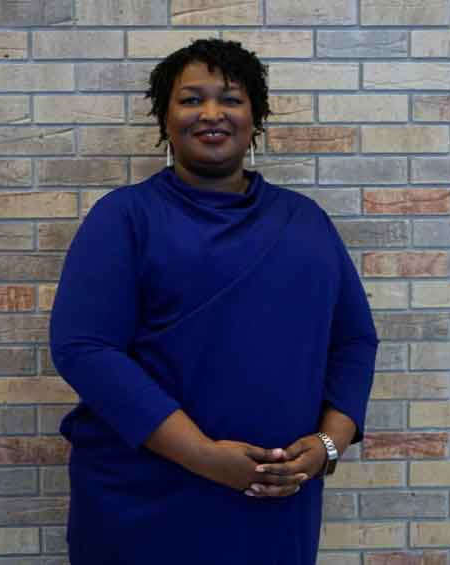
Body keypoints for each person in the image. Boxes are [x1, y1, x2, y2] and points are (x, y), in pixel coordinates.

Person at [49, 38, 379, 565]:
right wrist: (203, 455)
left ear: (255, 118)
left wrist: (327, 446)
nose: (210, 113)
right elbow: (84, 348)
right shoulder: (125, 217)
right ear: (165, 119)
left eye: (230, 99)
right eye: (190, 99)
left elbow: (354, 340)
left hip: (273, 501)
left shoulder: (304, 221)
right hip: (143, 502)